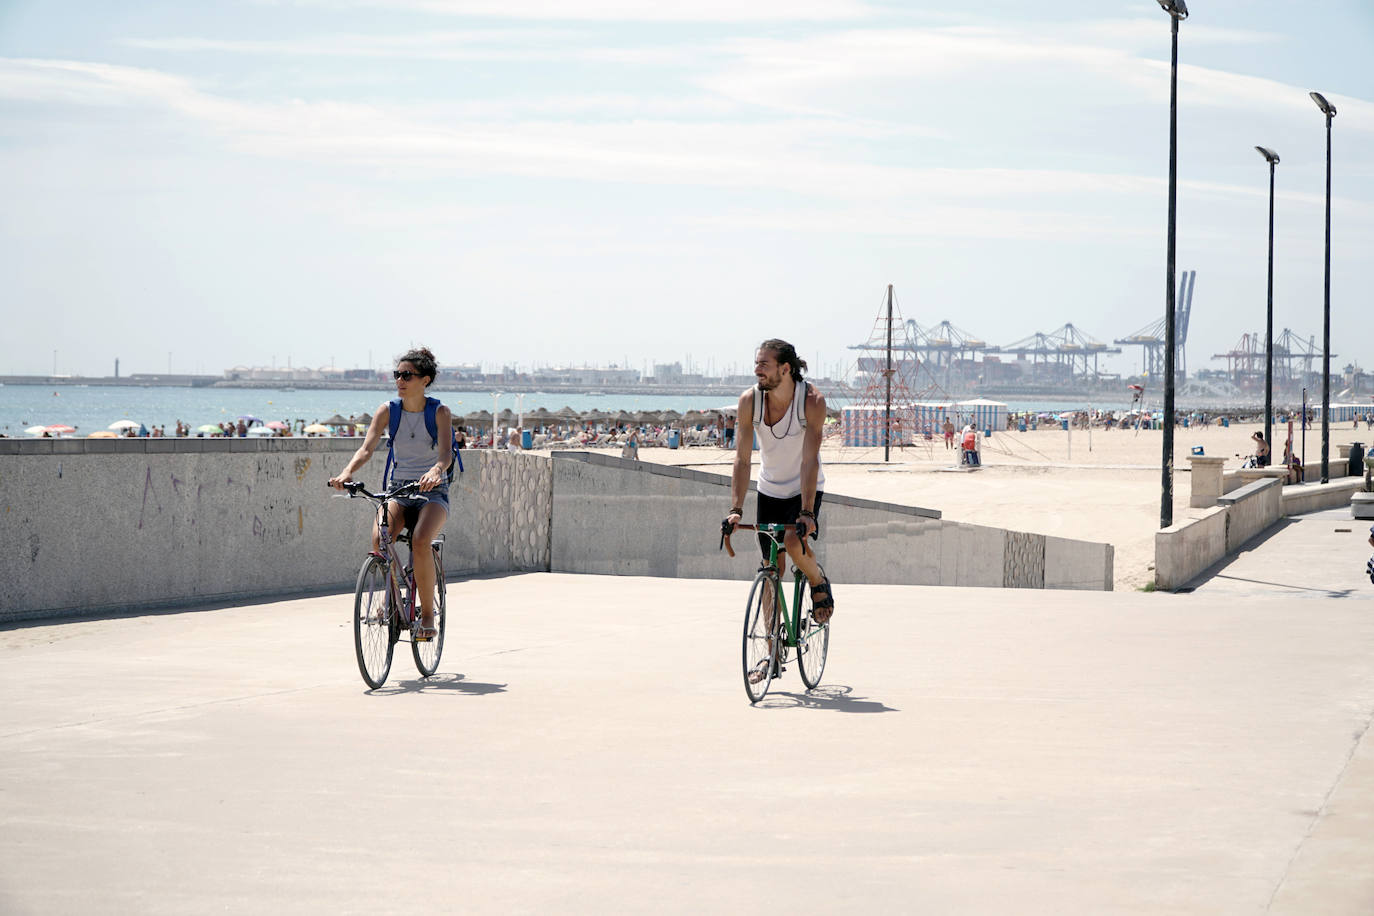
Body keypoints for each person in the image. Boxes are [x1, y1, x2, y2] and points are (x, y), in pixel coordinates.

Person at [725, 339, 833, 685]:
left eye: (765, 364)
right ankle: (771, 653)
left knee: (792, 538)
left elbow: (808, 459)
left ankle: (817, 581)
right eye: (756, 363)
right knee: (771, 567)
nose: (757, 370)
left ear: (785, 369)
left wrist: (806, 512)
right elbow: (742, 459)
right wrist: (735, 509)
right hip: (769, 488)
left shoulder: (812, 401)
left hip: (805, 486)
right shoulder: (750, 402)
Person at [329, 347, 452, 640]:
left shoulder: (440, 412)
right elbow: (367, 448)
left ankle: (425, 617)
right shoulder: (387, 410)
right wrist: (347, 473)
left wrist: (436, 472)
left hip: (432, 492)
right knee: (379, 539)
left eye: (407, 375)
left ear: (425, 380)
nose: (400, 380)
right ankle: (392, 598)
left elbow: (446, 455)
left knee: (421, 541)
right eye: (397, 374)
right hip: (398, 490)